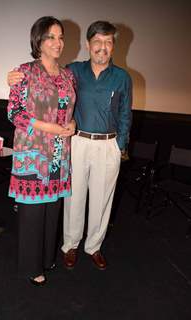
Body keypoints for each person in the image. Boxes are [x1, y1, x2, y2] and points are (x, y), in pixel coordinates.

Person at [8, 20, 132, 271]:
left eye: (108, 42)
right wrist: (11, 77)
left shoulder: (120, 77)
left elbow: (125, 113)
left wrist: (120, 145)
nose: (102, 47)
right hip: (73, 143)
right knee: (72, 199)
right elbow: (20, 104)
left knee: (101, 200)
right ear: (88, 44)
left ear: (114, 46)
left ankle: (93, 246)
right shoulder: (74, 70)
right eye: (97, 41)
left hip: (103, 145)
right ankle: (70, 245)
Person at [7, 16, 76, 286]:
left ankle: (47, 258)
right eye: (51, 37)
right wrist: (50, 127)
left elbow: (69, 110)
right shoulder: (24, 72)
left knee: (52, 209)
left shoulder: (68, 75)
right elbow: (15, 113)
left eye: (60, 37)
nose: (57, 42)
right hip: (33, 154)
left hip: (59, 154)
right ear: (39, 40)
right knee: (33, 212)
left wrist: (71, 124)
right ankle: (31, 265)